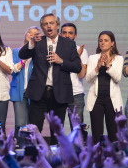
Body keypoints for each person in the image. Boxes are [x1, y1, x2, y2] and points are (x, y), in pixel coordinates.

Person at [18, 13, 81, 145]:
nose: (49, 26)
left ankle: (55, 160)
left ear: (57, 26)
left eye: (51, 23)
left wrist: (61, 61)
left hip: (59, 93)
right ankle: (33, 157)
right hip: (38, 93)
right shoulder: (38, 43)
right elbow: (22, 54)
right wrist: (31, 42)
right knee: (34, 130)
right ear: (42, 27)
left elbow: (77, 66)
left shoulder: (69, 44)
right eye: (45, 24)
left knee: (56, 132)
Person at [86, 31, 123, 144]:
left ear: (112, 43)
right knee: (97, 134)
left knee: (114, 133)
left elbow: (117, 78)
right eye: (100, 40)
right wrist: (97, 67)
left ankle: (115, 158)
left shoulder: (118, 58)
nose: (102, 43)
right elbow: (88, 79)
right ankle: (97, 158)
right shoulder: (93, 58)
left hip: (112, 100)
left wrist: (108, 66)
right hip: (96, 99)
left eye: (105, 40)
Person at [10, 26, 41, 143]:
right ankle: (19, 150)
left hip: (34, 93)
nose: (32, 35)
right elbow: (12, 71)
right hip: (19, 91)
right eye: (29, 33)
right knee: (20, 124)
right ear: (25, 34)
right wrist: (24, 59)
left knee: (32, 125)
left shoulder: (39, 54)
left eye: (35, 34)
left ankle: (32, 151)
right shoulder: (16, 52)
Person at [60, 23, 89, 128]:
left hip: (76, 94)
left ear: (75, 36)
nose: (67, 35)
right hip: (58, 93)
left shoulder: (82, 51)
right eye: (64, 33)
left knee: (77, 129)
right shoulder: (55, 50)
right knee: (57, 128)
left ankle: (77, 145)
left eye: (70, 33)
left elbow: (81, 75)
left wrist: (77, 56)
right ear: (60, 34)